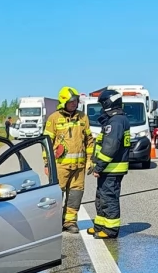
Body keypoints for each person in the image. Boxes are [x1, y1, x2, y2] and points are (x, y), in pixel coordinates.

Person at [43, 86, 94, 233]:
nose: (74, 103)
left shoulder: (83, 117)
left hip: (79, 167)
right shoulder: (54, 118)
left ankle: (70, 222)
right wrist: (47, 163)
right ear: (63, 101)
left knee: (76, 195)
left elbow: (89, 140)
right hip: (60, 166)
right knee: (56, 195)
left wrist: (90, 160)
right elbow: (46, 143)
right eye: (71, 101)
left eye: (76, 101)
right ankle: (54, 223)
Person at [86, 88, 130, 239]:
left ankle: (111, 230)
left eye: (103, 104)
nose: (102, 108)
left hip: (112, 168)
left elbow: (110, 147)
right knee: (101, 197)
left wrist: (99, 166)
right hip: (109, 168)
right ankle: (100, 225)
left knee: (109, 198)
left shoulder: (116, 121)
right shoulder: (116, 119)